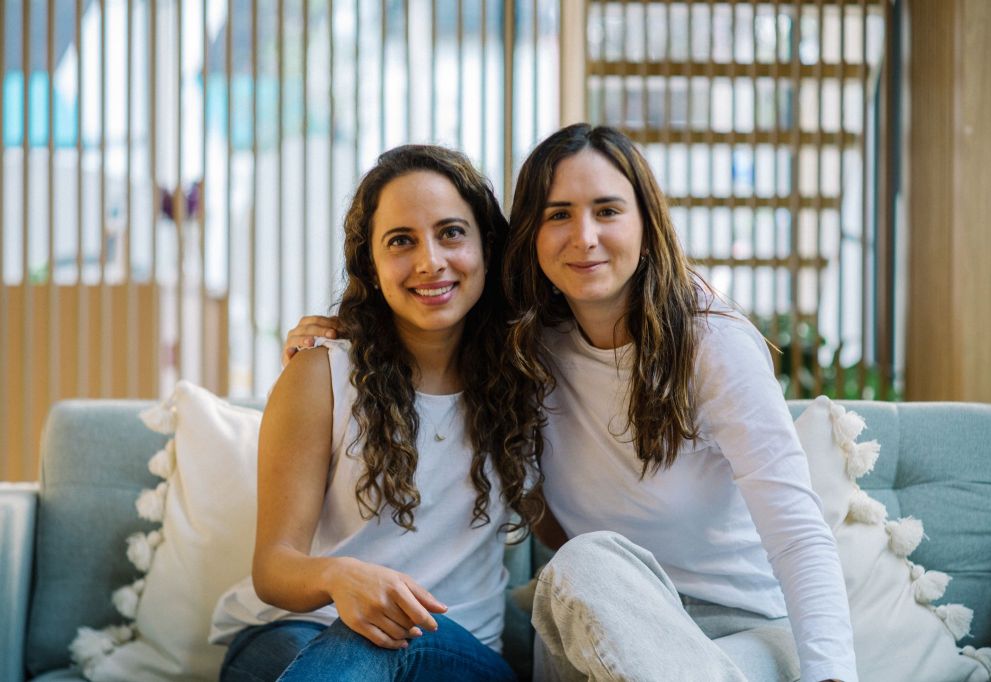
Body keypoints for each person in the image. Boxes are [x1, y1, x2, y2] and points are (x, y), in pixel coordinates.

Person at [283, 124, 857, 682]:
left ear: (646, 223)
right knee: (584, 565)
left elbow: (797, 530)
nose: (584, 237)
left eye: (607, 210)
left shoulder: (713, 343)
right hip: (595, 619)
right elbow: (437, 301)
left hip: (733, 634)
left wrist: (831, 677)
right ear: (530, 233)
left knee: (587, 560)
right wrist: (350, 327)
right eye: (559, 214)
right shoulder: (528, 341)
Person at [211, 144, 543, 682]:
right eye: (401, 241)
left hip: (456, 654)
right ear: (371, 262)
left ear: (488, 245)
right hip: (298, 633)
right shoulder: (323, 374)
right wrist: (341, 577)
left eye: (451, 232)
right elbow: (272, 568)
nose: (429, 260)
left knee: (389, 640)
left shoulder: (528, 379)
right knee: (354, 640)